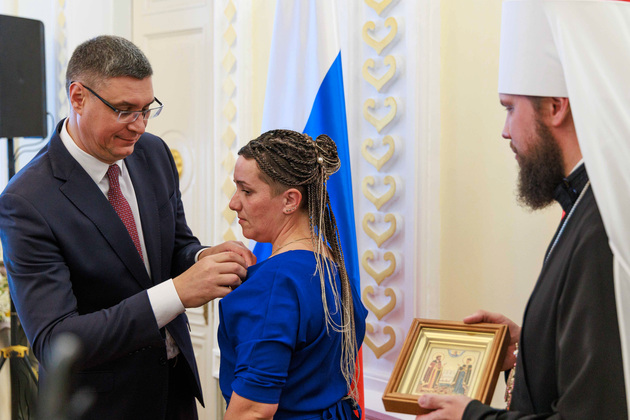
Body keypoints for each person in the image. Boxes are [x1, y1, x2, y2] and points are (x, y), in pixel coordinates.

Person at [0, 35, 254, 419]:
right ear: (78, 97)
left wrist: (202, 258)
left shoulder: (154, 153)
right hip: (100, 407)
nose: (139, 125)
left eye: (147, 109)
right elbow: (57, 342)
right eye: (124, 110)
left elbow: (175, 245)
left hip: (175, 392)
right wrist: (178, 293)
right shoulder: (26, 201)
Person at [416, 1, 628, 418]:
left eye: (510, 108)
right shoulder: (585, 203)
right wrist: (530, 346)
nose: (505, 130)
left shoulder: (601, 227)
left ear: (555, 107)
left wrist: (471, 416)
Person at [218, 129, 368, 419]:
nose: (234, 203)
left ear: (290, 200)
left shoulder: (275, 283)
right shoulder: (331, 265)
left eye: (246, 191)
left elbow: (252, 410)